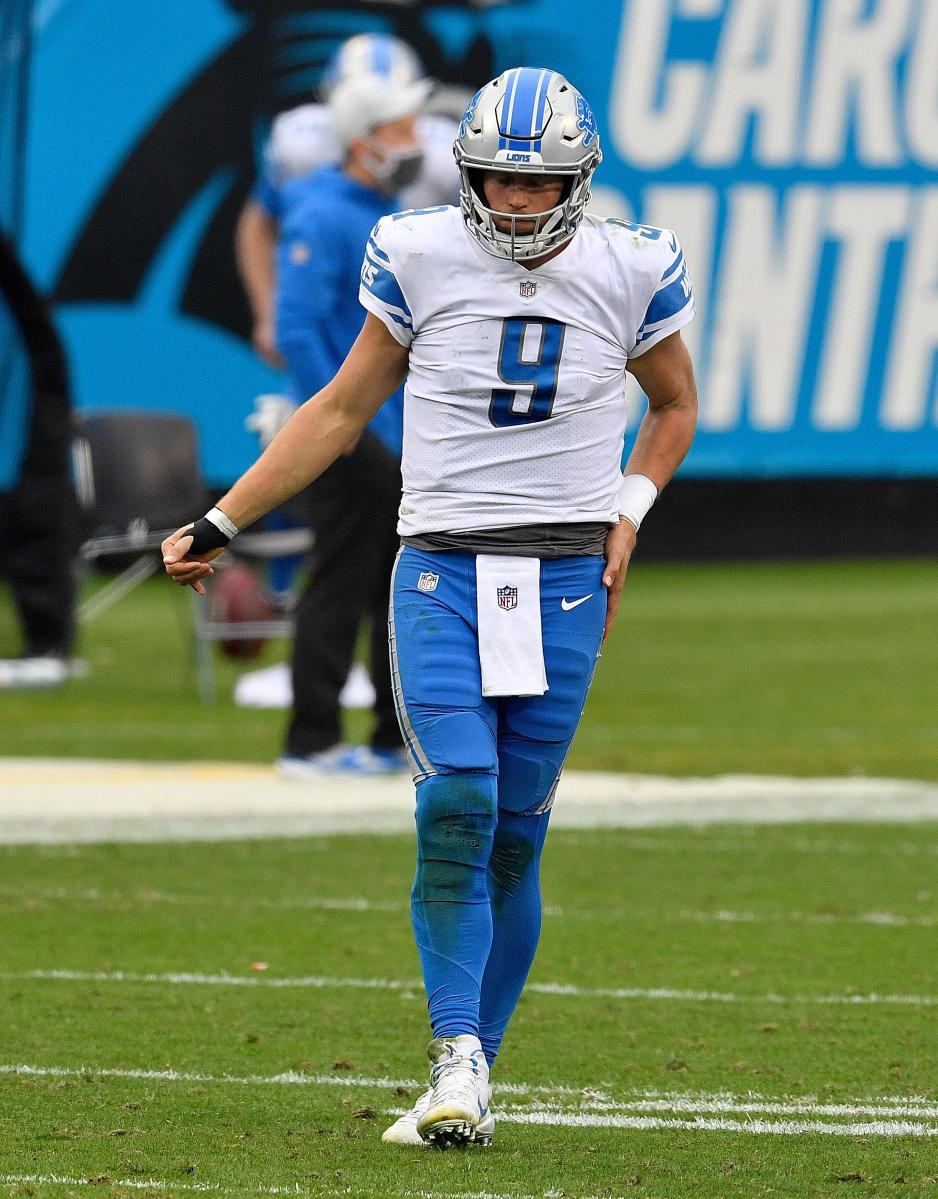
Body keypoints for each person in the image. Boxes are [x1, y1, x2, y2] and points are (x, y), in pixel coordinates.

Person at [163, 66, 697, 1147]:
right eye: (496, 178)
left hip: (565, 576)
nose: (512, 201)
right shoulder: (417, 251)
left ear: (578, 182)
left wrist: (631, 506)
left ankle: (476, 1067)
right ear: (468, 173)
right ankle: (455, 1058)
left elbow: (676, 402)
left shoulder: (632, 265)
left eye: (535, 184)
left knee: (514, 834)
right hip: (445, 567)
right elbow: (342, 406)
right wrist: (220, 519)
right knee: (455, 806)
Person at [269, 71, 429, 777]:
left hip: (393, 432)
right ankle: (312, 739)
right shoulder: (323, 213)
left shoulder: (374, 208)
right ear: (362, 140)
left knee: (394, 587)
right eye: (400, 129)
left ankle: (392, 737)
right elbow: (297, 329)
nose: (415, 142)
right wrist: (338, 430)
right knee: (339, 582)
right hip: (354, 435)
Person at [235, 32, 460, 370]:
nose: (410, 140)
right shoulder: (304, 157)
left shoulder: (444, 155)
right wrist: (267, 311)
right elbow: (258, 223)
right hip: (334, 316)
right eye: (391, 126)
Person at [0, 233, 77, 687]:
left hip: (35, 457)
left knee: (37, 523)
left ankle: (49, 643)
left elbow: (42, 337)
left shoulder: (36, 362)